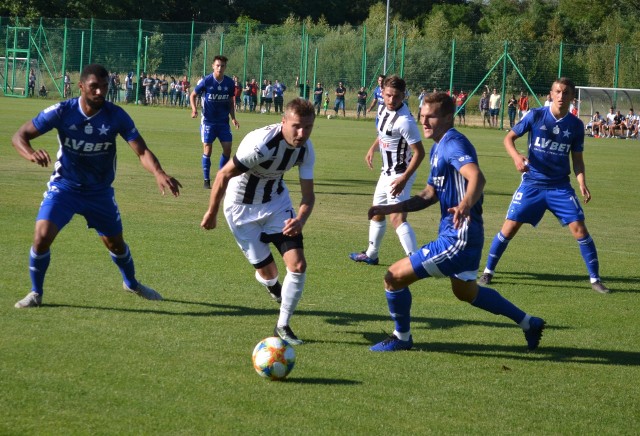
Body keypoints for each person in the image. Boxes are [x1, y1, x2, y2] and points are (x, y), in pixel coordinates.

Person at [367, 91, 545, 352]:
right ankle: (529, 323)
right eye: (422, 116)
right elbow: (429, 194)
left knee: (393, 277)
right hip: (465, 234)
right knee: (466, 292)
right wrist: (390, 207)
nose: (424, 122)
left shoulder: (452, 144)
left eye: (431, 117)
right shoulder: (439, 146)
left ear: (449, 118)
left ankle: (402, 338)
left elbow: (477, 178)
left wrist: (464, 204)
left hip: (458, 238)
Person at [12, 63, 182, 309]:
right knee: (41, 238)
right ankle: (36, 293)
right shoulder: (61, 111)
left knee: (116, 244)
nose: (101, 92)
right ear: (81, 86)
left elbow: (141, 149)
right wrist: (29, 154)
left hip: (99, 192)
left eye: (105, 86)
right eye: (94, 87)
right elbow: (19, 135)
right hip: (65, 187)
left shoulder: (116, 115)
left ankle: (131, 283)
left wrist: (158, 172)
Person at [200, 98, 317, 345]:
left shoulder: (306, 150)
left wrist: (300, 220)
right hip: (241, 209)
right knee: (269, 273)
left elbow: (308, 196)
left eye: (308, 127)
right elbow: (222, 175)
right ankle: (273, 286)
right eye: (296, 126)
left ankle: (283, 325)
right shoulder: (260, 145)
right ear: (283, 122)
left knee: (297, 265)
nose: (302, 133)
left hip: (276, 204)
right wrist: (211, 213)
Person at [478, 77, 609, 294]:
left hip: (560, 187)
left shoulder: (575, 126)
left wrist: (582, 183)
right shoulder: (536, 115)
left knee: (580, 228)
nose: (561, 96)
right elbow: (508, 139)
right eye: (557, 91)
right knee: (509, 228)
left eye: (565, 93)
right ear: (551, 94)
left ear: (571, 97)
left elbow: (577, 159)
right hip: (533, 184)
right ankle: (488, 271)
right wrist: (517, 157)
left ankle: (595, 279)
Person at [349, 75, 425, 265]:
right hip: (386, 173)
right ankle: (371, 254)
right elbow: (384, 134)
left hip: (400, 173)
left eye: (396, 97)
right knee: (377, 212)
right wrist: (372, 148)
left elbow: (420, 153)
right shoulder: (382, 109)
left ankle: (416, 261)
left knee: (397, 218)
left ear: (404, 96)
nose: (392, 100)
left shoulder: (405, 121)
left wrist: (404, 179)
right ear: (382, 93)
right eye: (389, 95)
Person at [190, 55, 240, 189]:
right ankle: (206, 180)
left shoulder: (229, 83)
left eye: (222, 66)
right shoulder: (206, 81)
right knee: (208, 149)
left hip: (223, 122)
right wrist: (194, 109)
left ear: (225, 67)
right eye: (217, 65)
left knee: (228, 149)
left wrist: (233, 118)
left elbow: (230, 102)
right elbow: (193, 95)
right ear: (213, 66)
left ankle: (220, 175)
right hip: (208, 122)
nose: (220, 68)